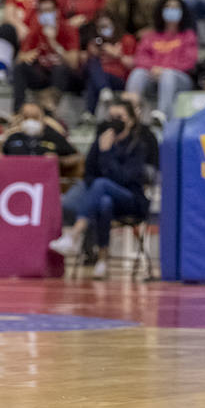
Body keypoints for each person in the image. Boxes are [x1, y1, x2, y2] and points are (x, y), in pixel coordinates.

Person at [51, 99, 152, 279]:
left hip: (131, 200)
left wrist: (106, 153)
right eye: (111, 116)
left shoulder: (138, 146)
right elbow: (88, 172)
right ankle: (102, 260)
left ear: (130, 120)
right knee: (104, 201)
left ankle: (74, 235)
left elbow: (124, 179)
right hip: (104, 198)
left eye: (119, 117)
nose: (114, 121)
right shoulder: (101, 140)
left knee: (102, 185)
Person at [124, 0, 197, 123]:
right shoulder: (150, 36)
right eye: (168, 7)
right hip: (154, 76)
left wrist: (164, 69)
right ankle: (130, 112)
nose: (171, 10)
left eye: (175, 8)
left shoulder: (188, 36)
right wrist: (153, 68)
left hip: (180, 79)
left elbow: (189, 62)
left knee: (168, 75)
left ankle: (162, 116)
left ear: (182, 12)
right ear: (161, 11)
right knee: (138, 73)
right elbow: (140, 58)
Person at [11, 0, 81, 109]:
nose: (46, 14)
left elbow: (73, 63)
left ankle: (51, 109)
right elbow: (20, 58)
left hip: (65, 77)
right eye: (43, 11)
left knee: (60, 69)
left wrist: (53, 43)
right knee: (20, 68)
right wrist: (26, 56)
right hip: (43, 74)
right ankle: (18, 110)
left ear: (57, 12)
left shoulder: (68, 29)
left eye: (49, 10)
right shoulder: (36, 30)